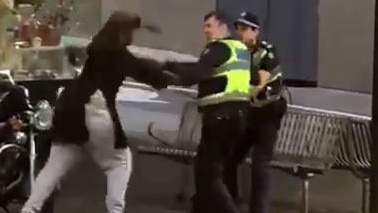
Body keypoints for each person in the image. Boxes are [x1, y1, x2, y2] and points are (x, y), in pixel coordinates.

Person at [21, 11, 171, 213]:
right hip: (92, 109)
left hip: (68, 108)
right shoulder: (117, 55)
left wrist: (144, 24)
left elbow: (119, 22)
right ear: (123, 33)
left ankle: (30, 209)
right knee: (118, 162)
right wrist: (173, 75)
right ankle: (115, 211)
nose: (132, 37)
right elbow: (147, 73)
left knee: (54, 167)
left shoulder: (97, 47)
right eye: (130, 32)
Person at [163, 11, 251, 213]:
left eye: (209, 26)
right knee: (205, 170)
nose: (205, 31)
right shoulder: (239, 49)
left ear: (222, 27)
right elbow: (209, 72)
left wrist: (168, 71)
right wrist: (174, 69)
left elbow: (199, 72)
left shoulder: (218, 48)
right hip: (235, 118)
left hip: (220, 117)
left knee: (208, 174)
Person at [223, 12, 287, 213]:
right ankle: (231, 204)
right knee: (230, 157)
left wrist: (249, 88)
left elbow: (262, 82)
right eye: (238, 28)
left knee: (260, 164)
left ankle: (258, 210)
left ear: (255, 31)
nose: (240, 32)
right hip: (248, 112)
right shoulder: (237, 52)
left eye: (244, 28)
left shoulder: (266, 51)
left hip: (268, 113)